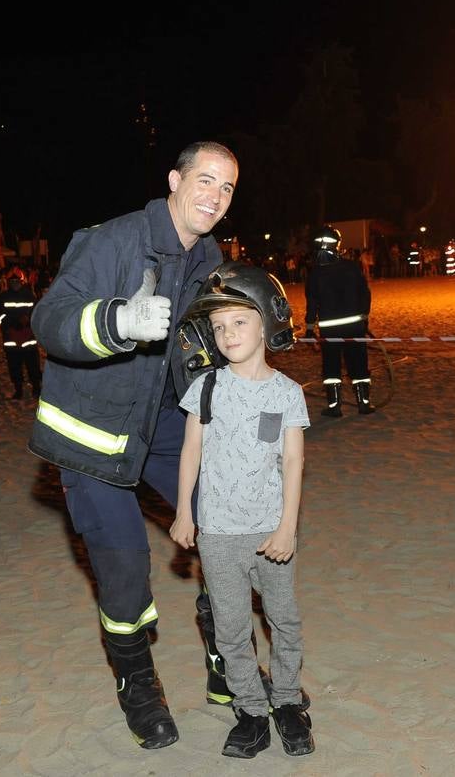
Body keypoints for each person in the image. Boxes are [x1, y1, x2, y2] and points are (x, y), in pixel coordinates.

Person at [28, 140, 238, 750]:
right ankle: (138, 685)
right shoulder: (112, 240)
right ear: (174, 180)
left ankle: (229, 661)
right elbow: (50, 319)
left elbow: (197, 346)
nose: (214, 197)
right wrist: (116, 321)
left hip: (159, 419)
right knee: (125, 571)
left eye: (226, 189)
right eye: (204, 180)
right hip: (90, 432)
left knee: (226, 522)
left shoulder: (211, 256)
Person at [169, 263, 313, 759]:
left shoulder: (286, 393)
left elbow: (292, 461)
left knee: (283, 620)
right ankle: (251, 711)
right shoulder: (205, 388)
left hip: (269, 533)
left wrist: (287, 527)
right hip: (218, 534)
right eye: (219, 326)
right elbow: (191, 451)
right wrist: (185, 513)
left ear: (267, 324)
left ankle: (289, 701)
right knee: (230, 629)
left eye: (239, 321)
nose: (227, 334)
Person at [305, 225, 373, 417]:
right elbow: (365, 295)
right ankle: (364, 403)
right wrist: (364, 319)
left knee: (331, 366)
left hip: (330, 330)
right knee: (359, 364)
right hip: (355, 327)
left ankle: (334, 407)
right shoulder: (352, 267)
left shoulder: (315, 273)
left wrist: (310, 329)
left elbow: (312, 304)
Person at [0, 274, 41, 400]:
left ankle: (36, 388)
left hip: (28, 336)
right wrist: (12, 323)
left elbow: (37, 313)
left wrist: (28, 321)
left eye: (17, 281)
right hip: (11, 337)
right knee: (14, 365)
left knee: (33, 364)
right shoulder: (3, 297)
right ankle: (18, 389)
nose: (15, 283)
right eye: (12, 281)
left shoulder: (29, 296)